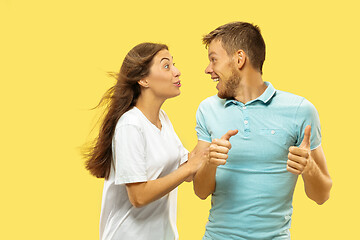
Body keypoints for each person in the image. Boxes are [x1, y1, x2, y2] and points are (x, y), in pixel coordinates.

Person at [192, 22, 333, 239]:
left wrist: (309, 167)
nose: (208, 69)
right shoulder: (207, 109)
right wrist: (210, 162)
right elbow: (200, 192)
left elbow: (322, 195)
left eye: (213, 59)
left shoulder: (300, 110)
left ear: (239, 59)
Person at [83, 42, 206, 240]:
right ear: (144, 80)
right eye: (167, 66)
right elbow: (138, 197)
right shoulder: (130, 125)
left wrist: (212, 138)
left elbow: (188, 167)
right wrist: (189, 168)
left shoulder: (162, 119)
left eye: (174, 64)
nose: (177, 71)